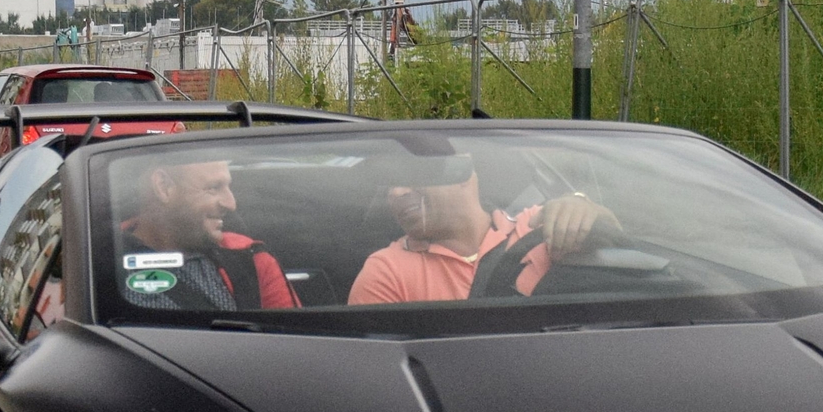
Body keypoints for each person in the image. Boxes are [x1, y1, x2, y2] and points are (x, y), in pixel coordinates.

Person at [348, 158, 615, 305]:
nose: (395, 193)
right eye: (390, 185)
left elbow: (626, 261)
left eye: (411, 176)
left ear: (462, 174)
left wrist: (585, 208)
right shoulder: (387, 271)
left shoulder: (540, 225)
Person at [114, 158, 297, 311]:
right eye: (214, 187)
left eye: (228, 187)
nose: (231, 204)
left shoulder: (251, 260)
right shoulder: (98, 263)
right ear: (163, 186)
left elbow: (287, 341)